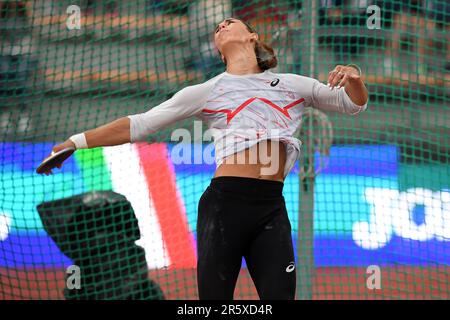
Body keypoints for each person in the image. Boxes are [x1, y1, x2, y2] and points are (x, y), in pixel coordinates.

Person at [42, 18, 368, 300]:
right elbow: (140, 123)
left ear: (252, 36)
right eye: (217, 28)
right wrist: (76, 141)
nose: (221, 25)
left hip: (271, 208)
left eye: (229, 22)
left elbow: (354, 104)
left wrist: (353, 75)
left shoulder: (291, 84)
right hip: (224, 205)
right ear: (218, 50)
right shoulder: (207, 90)